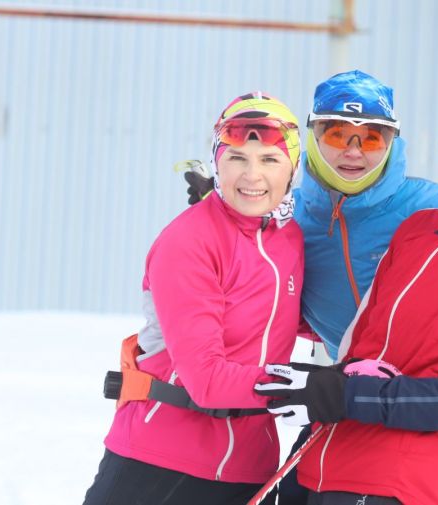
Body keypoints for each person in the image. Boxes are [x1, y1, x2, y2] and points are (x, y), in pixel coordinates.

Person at [185, 70, 438, 504]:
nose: (353, 152)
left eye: (371, 138)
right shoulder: (292, 227)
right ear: (312, 137)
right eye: (336, 133)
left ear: (392, 142)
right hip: (362, 422)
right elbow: (270, 303)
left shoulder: (434, 208)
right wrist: (229, 215)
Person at [83, 92, 305, 505]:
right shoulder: (189, 241)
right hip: (157, 463)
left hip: (248, 466)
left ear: (292, 169)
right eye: (237, 158)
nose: (252, 175)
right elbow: (205, 378)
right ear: (217, 163)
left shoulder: (288, 239)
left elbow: (290, 314)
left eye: (269, 160)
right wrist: (306, 389)